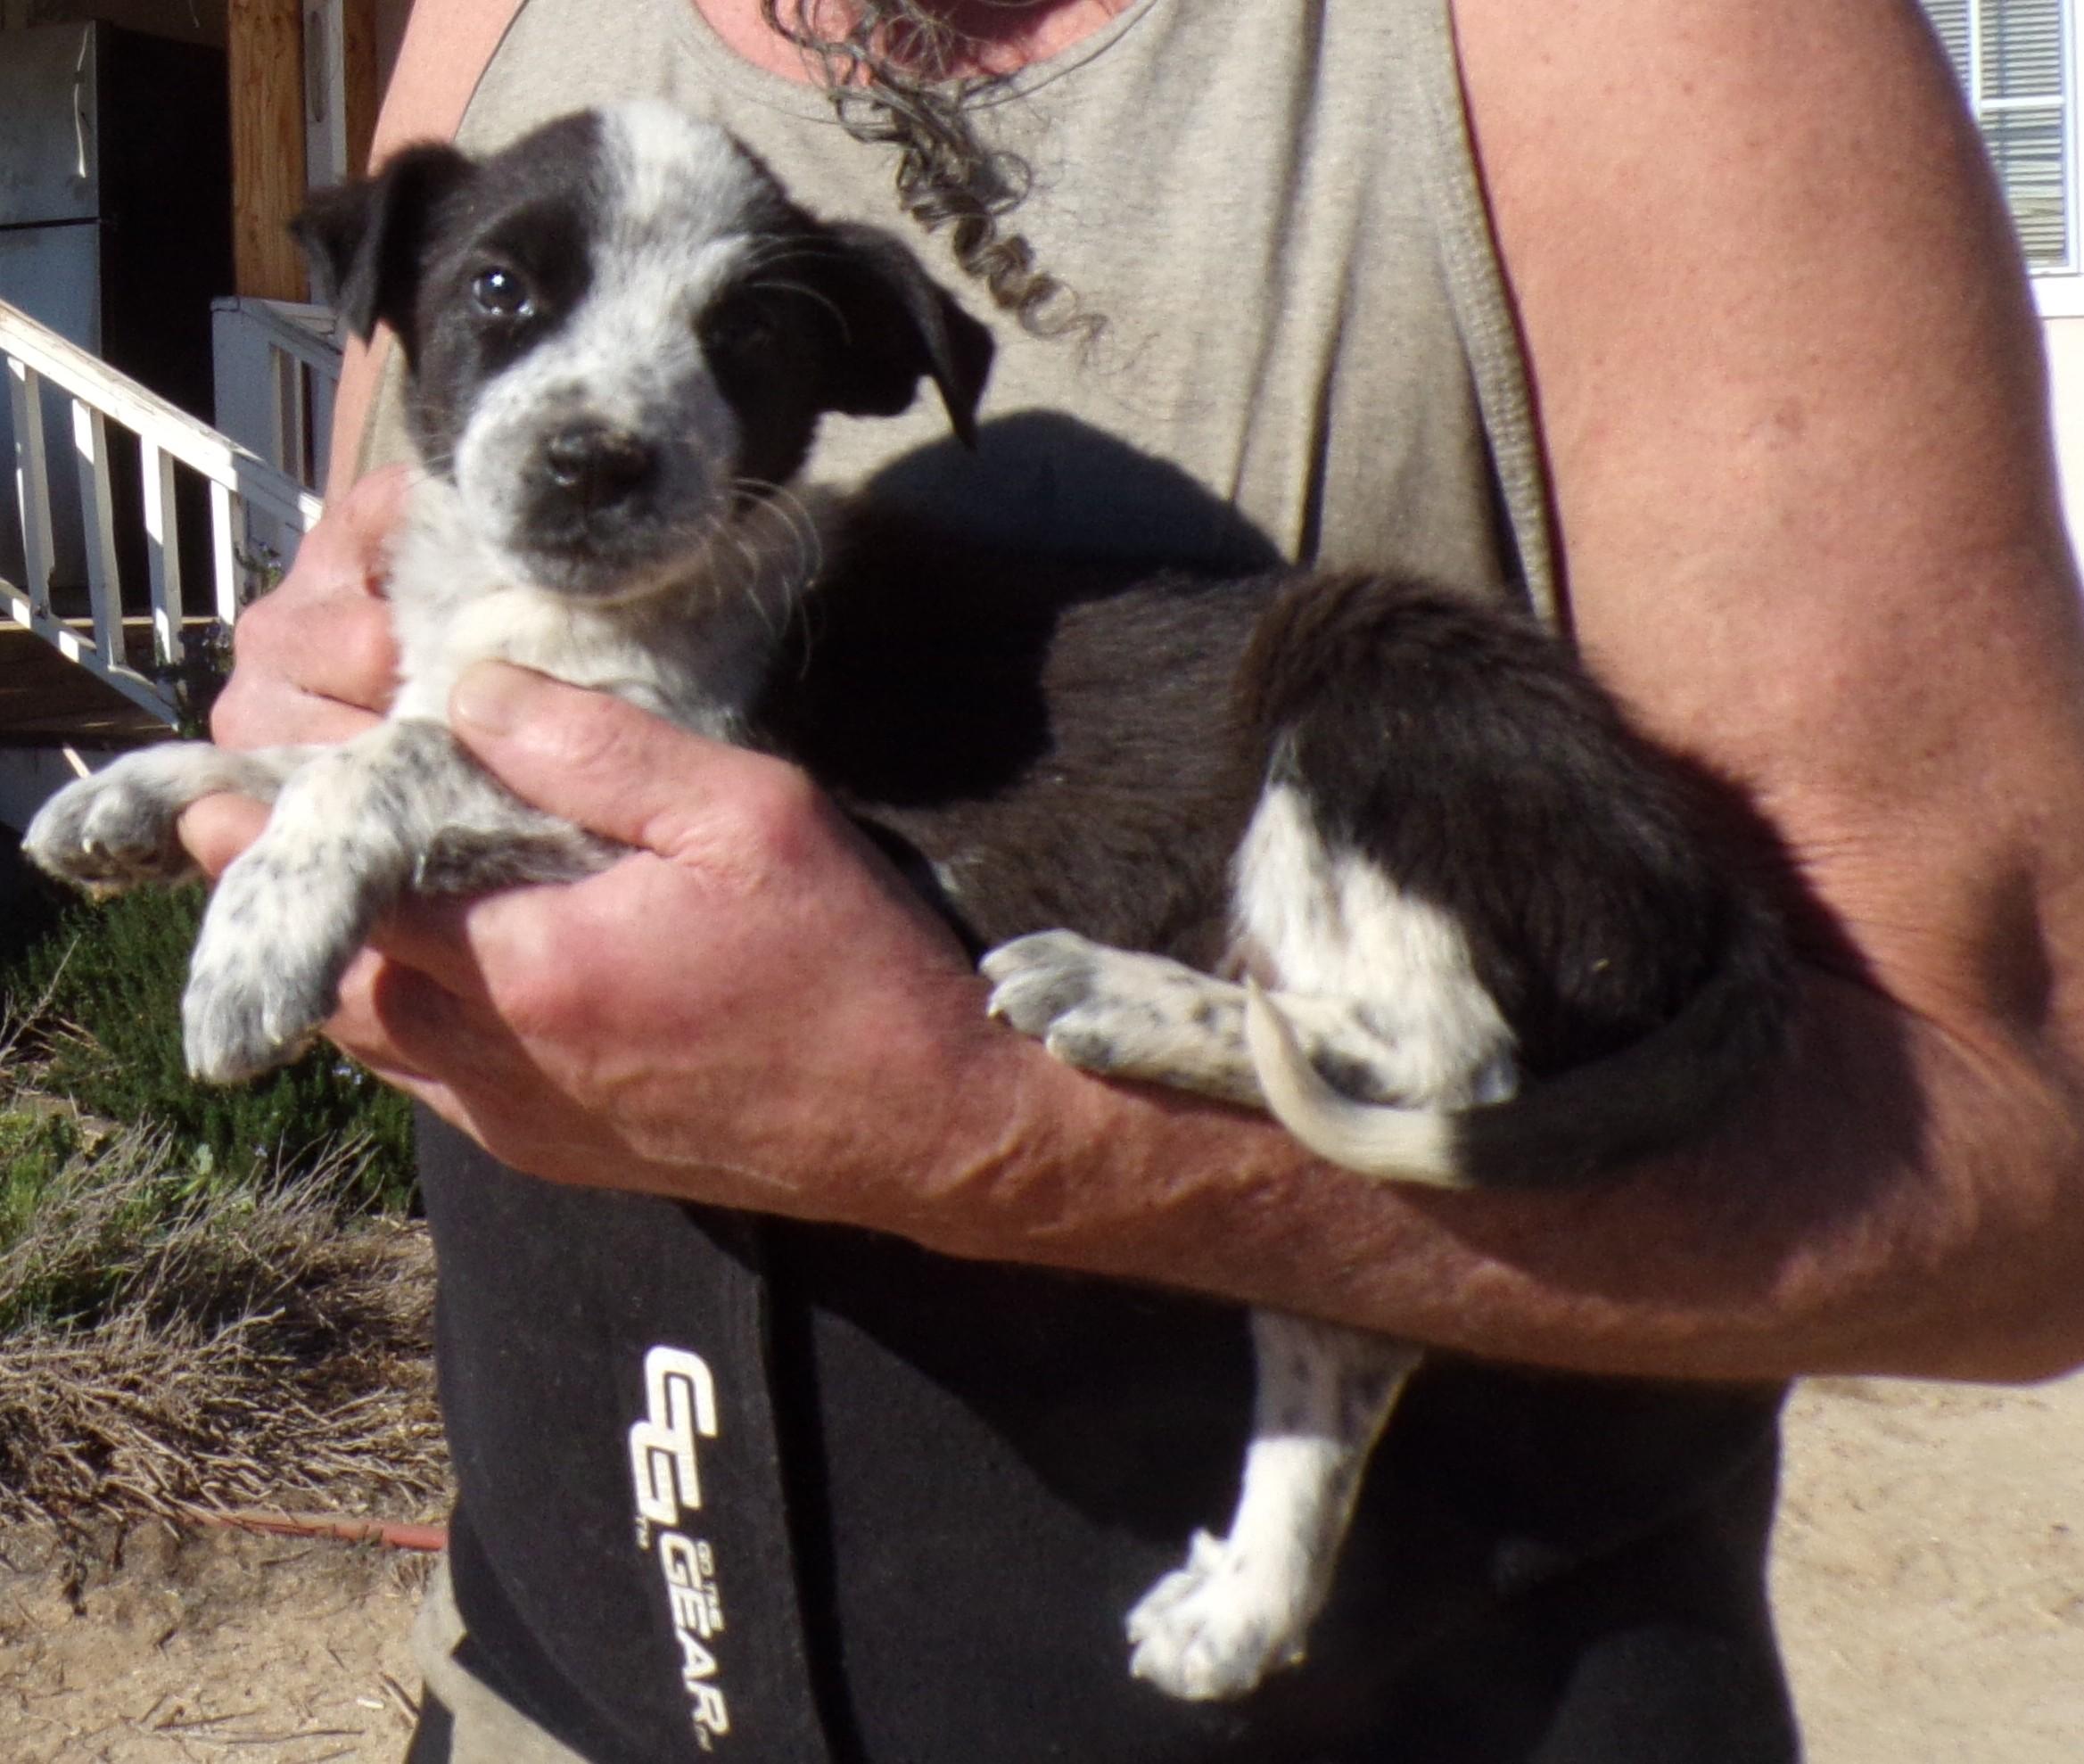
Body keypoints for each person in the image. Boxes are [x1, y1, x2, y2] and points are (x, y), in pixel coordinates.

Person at [178, 0, 2084, 1758]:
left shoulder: (1651, 50)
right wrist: (314, 728)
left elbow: (2022, 1174)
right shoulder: (503, 26)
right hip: (543, 1691)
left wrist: (996, 1131)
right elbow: (415, 605)